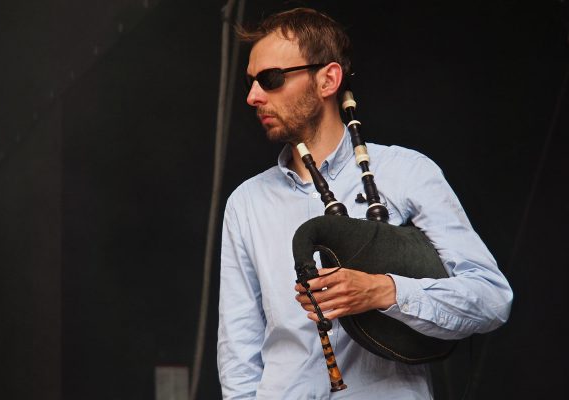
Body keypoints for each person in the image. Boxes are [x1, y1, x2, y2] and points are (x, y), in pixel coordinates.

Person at [217, 7, 513, 399]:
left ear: (328, 79)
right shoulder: (246, 203)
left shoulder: (406, 173)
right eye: (251, 81)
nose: (253, 96)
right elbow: (239, 353)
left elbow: (492, 298)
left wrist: (384, 291)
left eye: (270, 79)